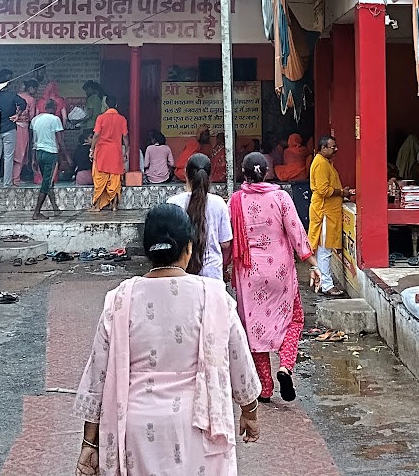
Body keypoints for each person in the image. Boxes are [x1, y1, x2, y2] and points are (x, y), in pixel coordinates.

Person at [73, 204, 261, 476]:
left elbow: (98, 376)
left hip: (136, 432)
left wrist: (90, 442)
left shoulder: (120, 299)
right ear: (188, 248)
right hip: (200, 430)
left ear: (147, 249)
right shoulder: (215, 297)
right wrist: (250, 412)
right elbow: (239, 362)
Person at [228, 152, 313, 403]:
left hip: (249, 273)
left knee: (255, 331)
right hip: (280, 272)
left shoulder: (235, 201)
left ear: (243, 173)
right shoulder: (281, 197)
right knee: (294, 319)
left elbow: (230, 239)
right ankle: (285, 366)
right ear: (266, 171)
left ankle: (265, 388)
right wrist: (313, 263)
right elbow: (296, 232)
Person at [170, 152, 234, 280]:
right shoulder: (219, 203)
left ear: (186, 175)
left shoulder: (173, 203)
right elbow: (225, 243)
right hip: (212, 274)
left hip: (180, 274)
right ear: (209, 176)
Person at [307, 135, 350, 298]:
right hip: (324, 212)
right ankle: (327, 285)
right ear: (323, 148)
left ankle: (321, 280)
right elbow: (324, 190)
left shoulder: (325, 163)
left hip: (327, 211)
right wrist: (341, 192)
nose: (335, 149)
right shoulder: (320, 164)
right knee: (325, 250)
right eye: (332, 147)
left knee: (322, 250)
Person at [90, 99, 129, 212]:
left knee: (100, 178)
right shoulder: (122, 119)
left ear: (106, 104)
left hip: (102, 152)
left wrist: (92, 149)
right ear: (116, 105)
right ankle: (114, 205)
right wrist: (126, 150)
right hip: (116, 152)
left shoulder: (100, 118)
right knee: (115, 180)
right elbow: (125, 136)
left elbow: (96, 135)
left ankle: (97, 206)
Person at [29, 102, 64, 219]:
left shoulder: (35, 120)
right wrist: (67, 157)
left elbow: (33, 140)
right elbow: (60, 140)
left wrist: (33, 159)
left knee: (47, 181)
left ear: (45, 108)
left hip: (39, 153)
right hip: (50, 153)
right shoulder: (55, 119)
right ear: (54, 108)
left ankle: (55, 208)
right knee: (46, 183)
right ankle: (37, 212)